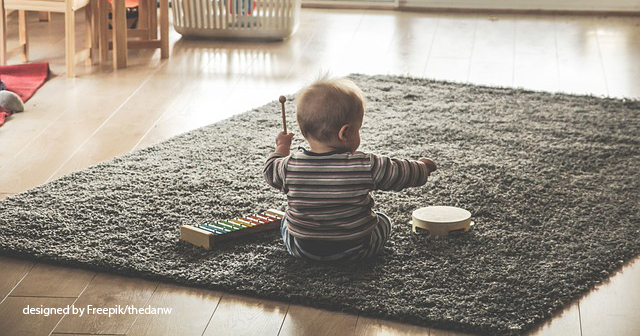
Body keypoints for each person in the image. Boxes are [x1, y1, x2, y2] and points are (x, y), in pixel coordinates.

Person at [263, 76, 437, 261]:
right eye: (358, 129)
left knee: (285, 220)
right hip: (357, 248)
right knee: (383, 220)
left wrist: (282, 147)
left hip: (303, 249)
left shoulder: (288, 166)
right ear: (344, 133)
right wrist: (423, 167)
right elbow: (400, 172)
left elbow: (269, 170)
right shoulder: (366, 165)